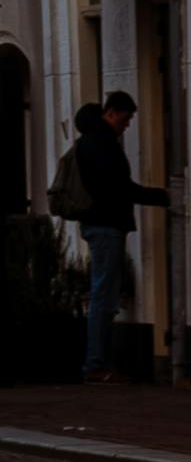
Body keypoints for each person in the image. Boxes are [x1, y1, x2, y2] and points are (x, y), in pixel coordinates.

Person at [56, 93, 162, 381]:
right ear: (112, 113)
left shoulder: (92, 142)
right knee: (104, 293)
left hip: (99, 223)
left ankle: (97, 362)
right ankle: (95, 363)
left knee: (103, 291)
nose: (125, 126)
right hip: (106, 224)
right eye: (125, 120)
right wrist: (162, 197)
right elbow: (118, 187)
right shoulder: (101, 144)